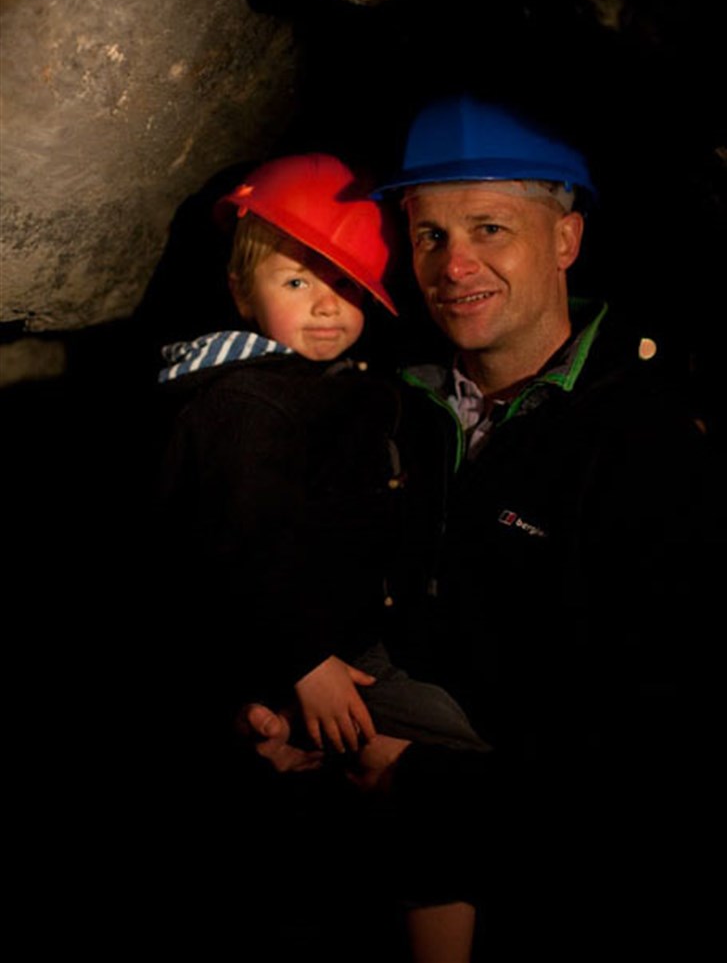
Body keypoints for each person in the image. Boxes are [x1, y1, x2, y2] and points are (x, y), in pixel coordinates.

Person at [243, 99, 713, 959]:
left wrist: (416, 783)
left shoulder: (649, 443)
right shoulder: (381, 399)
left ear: (565, 240)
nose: (455, 266)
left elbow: (662, 755)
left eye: (490, 229)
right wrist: (281, 703)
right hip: (352, 840)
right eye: (429, 237)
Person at [157, 152, 485, 771]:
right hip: (301, 655)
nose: (328, 305)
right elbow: (237, 545)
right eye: (297, 281)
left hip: (352, 639)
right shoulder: (245, 404)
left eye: (348, 284)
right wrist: (303, 664)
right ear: (242, 292)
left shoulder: (334, 384)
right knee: (460, 750)